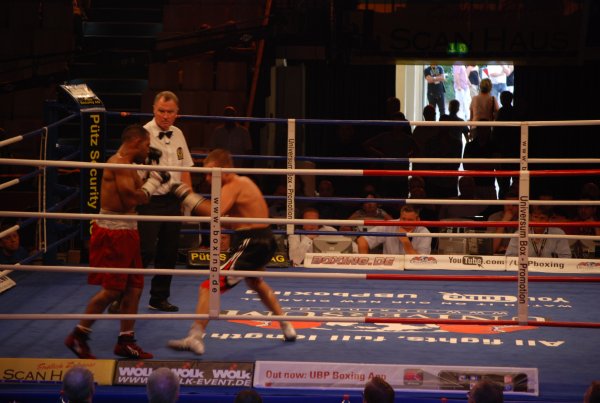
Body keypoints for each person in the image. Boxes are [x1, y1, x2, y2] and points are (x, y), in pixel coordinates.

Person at [167, 149, 296, 354]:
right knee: (255, 283)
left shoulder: (234, 184)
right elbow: (229, 220)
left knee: (208, 286)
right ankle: (286, 325)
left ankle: (195, 336)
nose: (207, 178)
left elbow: (214, 213)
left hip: (252, 242)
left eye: (211, 172)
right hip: (263, 239)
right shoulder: (242, 183)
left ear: (224, 168)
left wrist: (185, 194)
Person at [65, 125, 155, 360]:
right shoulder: (119, 164)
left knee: (135, 287)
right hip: (114, 232)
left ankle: (126, 340)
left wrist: (146, 182)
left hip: (129, 229)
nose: (149, 150)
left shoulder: (130, 165)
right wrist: (151, 187)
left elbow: (137, 196)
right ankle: (78, 335)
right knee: (113, 290)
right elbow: (130, 200)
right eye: (147, 145)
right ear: (136, 142)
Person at [140, 90, 194, 312]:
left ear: (177, 113)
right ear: (154, 110)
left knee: (169, 251)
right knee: (143, 251)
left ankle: (159, 297)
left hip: (173, 200)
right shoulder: (143, 134)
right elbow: (135, 172)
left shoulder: (178, 133)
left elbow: (186, 168)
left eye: (170, 112)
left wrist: (188, 201)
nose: (165, 115)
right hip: (149, 200)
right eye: (161, 111)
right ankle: (123, 296)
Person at [356, 205, 432, 255]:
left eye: (410, 220)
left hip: (413, 270)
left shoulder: (424, 233)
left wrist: (405, 242)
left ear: (418, 220)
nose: (406, 223)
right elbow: (362, 240)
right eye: (403, 219)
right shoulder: (390, 225)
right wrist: (364, 261)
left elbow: (421, 261)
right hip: (389, 268)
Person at [505, 206, 572, 258]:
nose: (538, 221)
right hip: (527, 269)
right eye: (535, 217)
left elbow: (566, 257)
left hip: (551, 269)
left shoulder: (558, 233)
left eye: (542, 218)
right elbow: (509, 257)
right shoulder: (520, 233)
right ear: (531, 217)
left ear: (548, 219)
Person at [487, 188, 519, 254]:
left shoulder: (525, 218)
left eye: (514, 205)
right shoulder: (494, 218)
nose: (510, 208)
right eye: (508, 204)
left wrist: (506, 248)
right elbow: (492, 248)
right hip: (497, 256)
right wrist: (504, 221)